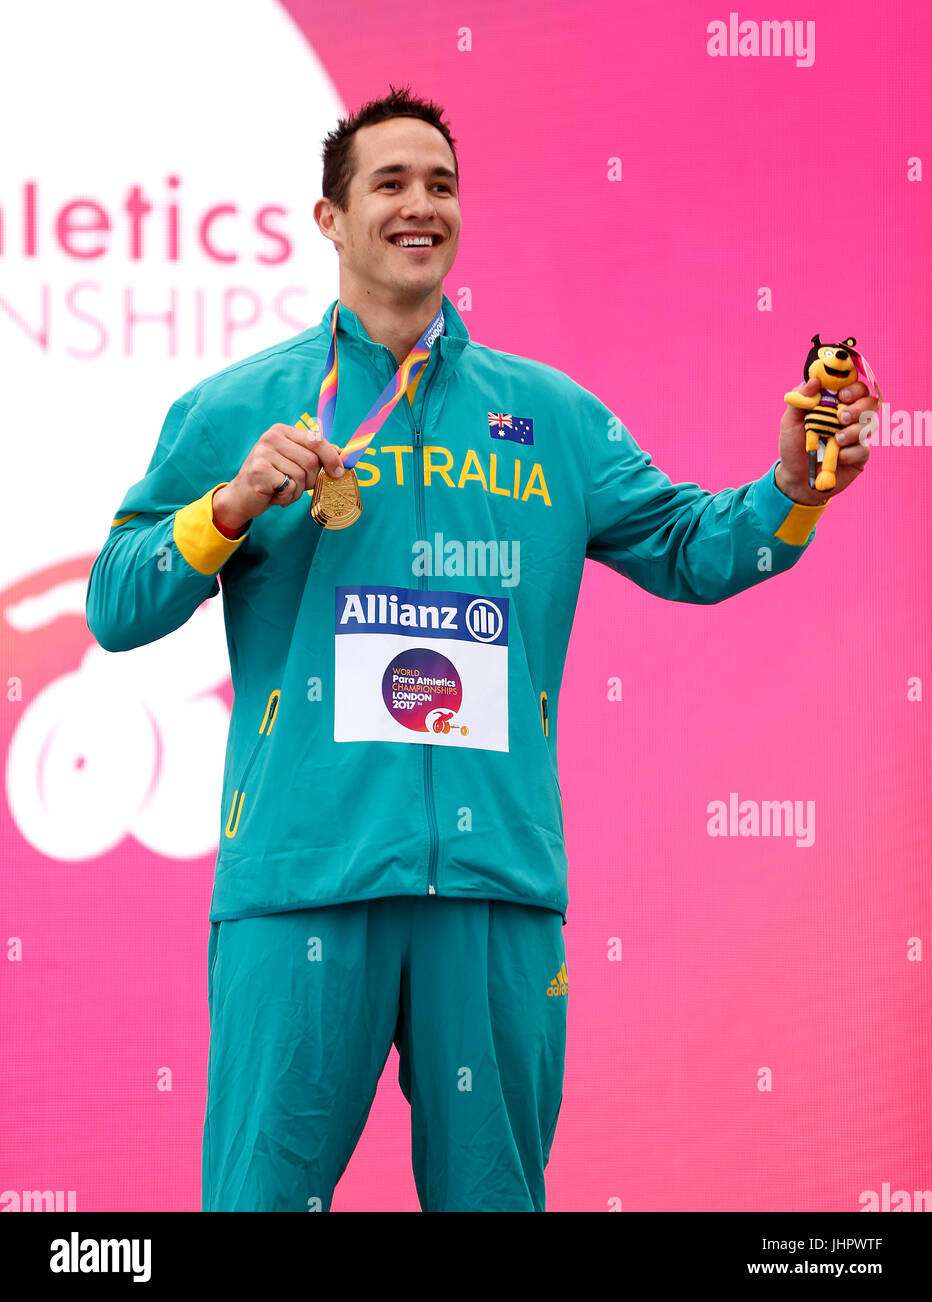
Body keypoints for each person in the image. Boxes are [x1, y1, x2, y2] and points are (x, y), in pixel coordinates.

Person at [85, 84, 878, 1213]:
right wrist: (226, 506)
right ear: (329, 217)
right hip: (304, 881)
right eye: (390, 183)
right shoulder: (239, 407)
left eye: (442, 184)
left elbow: (696, 549)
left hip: (493, 889)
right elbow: (117, 604)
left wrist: (794, 490)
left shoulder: (548, 417)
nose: (421, 205)